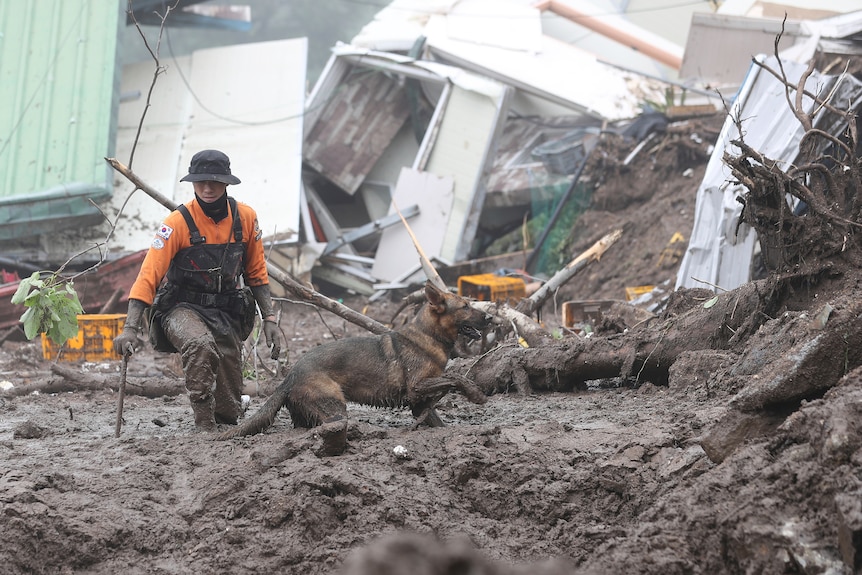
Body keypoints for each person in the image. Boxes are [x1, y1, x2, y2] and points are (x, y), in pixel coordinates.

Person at [113, 149, 281, 431]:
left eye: (214, 181)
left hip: (225, 310)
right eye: (200, 181)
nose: (207, 188)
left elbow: (256, 273)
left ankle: (222, 424)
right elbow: (148, 276)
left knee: (228, 410)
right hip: (181, 309)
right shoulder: (176, 223)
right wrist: (130, 327)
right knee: (199, 344)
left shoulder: (246, 218)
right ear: (192, 183)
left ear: (226, 183)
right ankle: (203, 426)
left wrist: (270, 319)